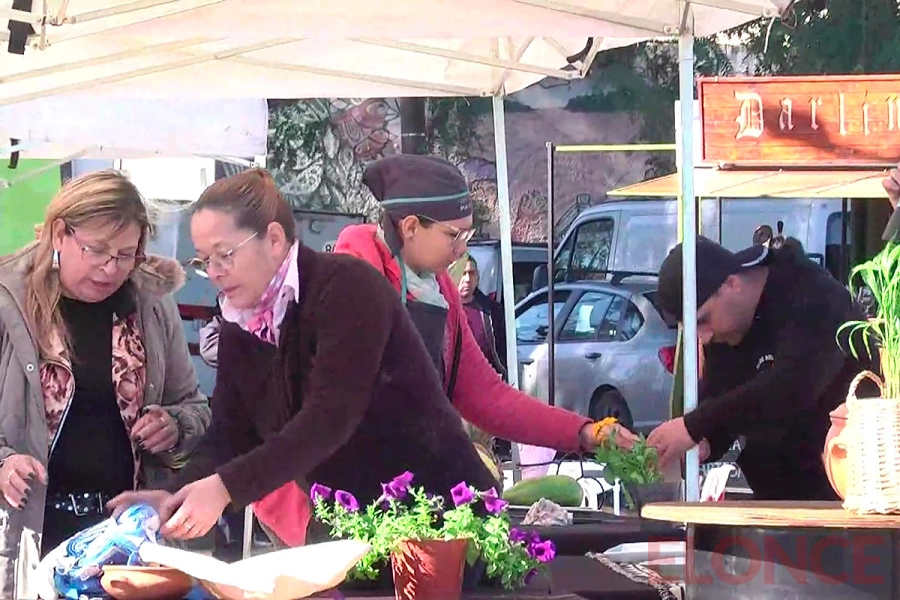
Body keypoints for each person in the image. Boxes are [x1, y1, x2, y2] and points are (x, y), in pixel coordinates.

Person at [108, 168, 512, 544]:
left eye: (224, 254)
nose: (213, 272)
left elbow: (328, 419)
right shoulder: (240, 323)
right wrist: (173, 495)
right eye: (203, 261)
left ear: (274, 239)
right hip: (347, 526)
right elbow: (231, 434)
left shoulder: (347, 288)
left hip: (441, 518)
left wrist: (225, 487)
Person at [333, 154, 636, 456]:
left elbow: (488, 396)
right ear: (411, 227)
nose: (462, 248)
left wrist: (582, 432)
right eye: (454, 235)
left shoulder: (442, 291)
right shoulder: (349, 282)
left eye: (468, 234)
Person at [0, 171, 210, 596]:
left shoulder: (151, 304)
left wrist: (174, 425)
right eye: (95, 251)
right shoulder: (9, 301)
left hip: (126, 539)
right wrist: (4, 461)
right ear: (60, 233)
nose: (110, 268)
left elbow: (194, 407)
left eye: (125, 254)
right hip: (29, 536)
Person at [646, 235, 873, 501]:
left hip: (851, 492)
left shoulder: (813, 295)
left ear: (732, 283)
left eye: (703, 320)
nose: (704, 337)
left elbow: (791, 387)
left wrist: (695, 426)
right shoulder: (723, 329)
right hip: (780, 496)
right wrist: (706, 442)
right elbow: (724, 396)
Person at [457, 255, 506, 378]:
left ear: (478, 277)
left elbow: (501, 348)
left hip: (486, 379)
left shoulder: (491, 310)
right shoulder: (443, 308)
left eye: (471, 273)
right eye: (463, 273)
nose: (467, 279)